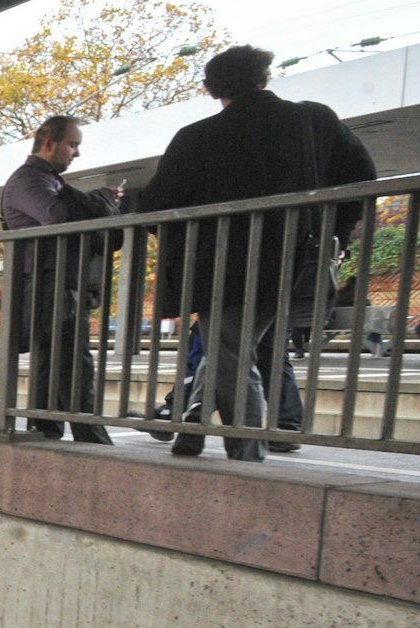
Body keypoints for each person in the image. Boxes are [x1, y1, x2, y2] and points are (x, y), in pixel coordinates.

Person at [133, 45, 376, 461]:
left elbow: (158, 203)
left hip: (222, 266)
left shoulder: (197, 137)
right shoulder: (313, 119)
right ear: (264, 76)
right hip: (299, 260)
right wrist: (332, 234)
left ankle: (247, 450)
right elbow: (362, 178)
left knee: (229, 349)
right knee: (232, 345)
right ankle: (191, 421)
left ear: (211, 89)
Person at [0, 114, 121, 445]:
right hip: (46, 284)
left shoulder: (49, 182)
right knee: (73, 365)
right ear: (49, 143)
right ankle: (90, 439)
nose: (76, 153)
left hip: (55, 284)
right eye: (73, 144)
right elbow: (59, 218)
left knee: (55, 363)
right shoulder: (29, 180)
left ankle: (45, 430)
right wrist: (99, 201)